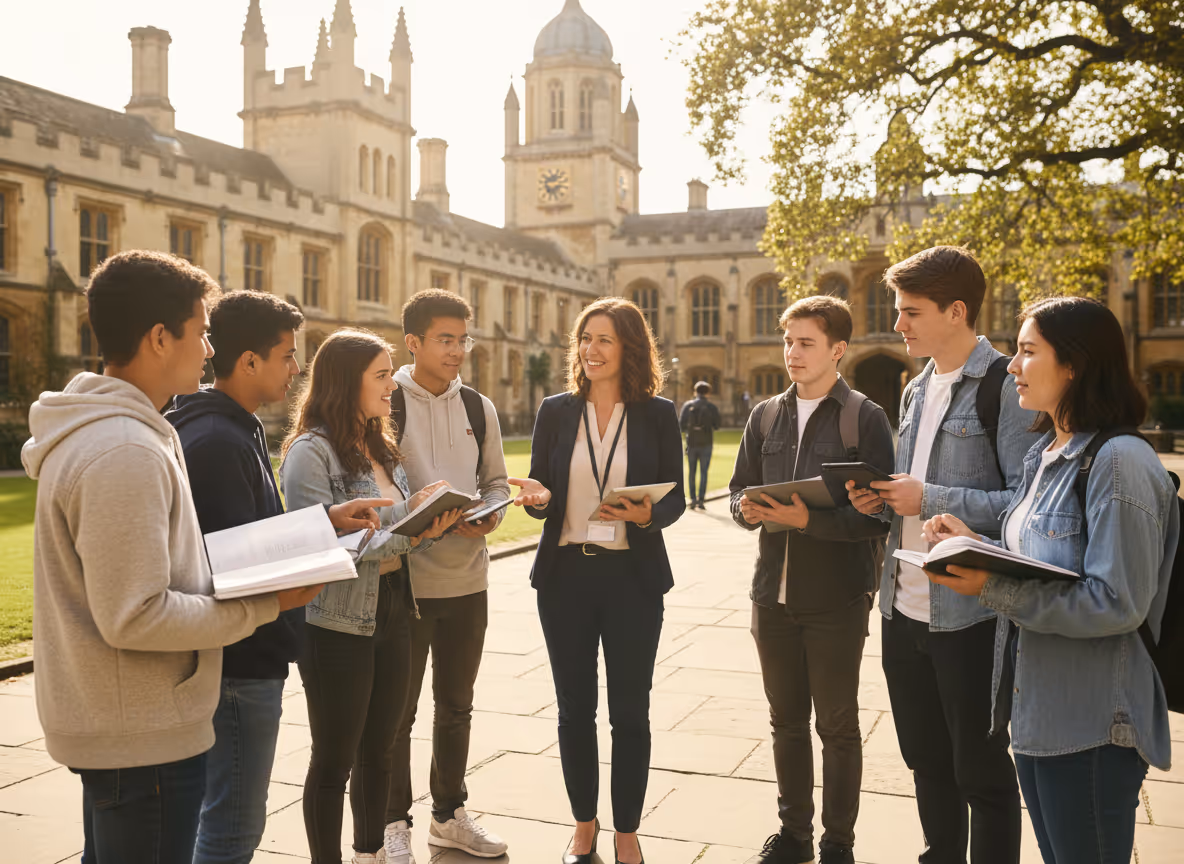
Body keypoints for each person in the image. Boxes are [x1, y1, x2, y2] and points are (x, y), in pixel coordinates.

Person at [20, 250, 321, 864]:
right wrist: (265, 604)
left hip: (127, 724)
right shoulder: (123, 449)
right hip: (140, 735)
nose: (210, 349)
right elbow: (135, 616)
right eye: (202, 331)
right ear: (161, 338)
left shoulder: (127, 432)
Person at [921, 297, 1177, 864]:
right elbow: (1043, 561)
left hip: (1091, 724)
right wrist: (976, 546)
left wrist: (987, 586)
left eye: (1029, 351)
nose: (1012, 364)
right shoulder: (1046, 451)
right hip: (1033, 715)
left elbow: (1116, 602)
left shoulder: (1119, 462)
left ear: (1075, 366)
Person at [169, 292, 392, 864]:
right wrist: (308, 571)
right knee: (231, 831)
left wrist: (323, 522)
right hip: (241, 665)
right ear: (248, 362)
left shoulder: (232, 429)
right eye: (288, 356)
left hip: (247, 659)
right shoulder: (219, 440)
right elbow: (233, 566)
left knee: (222, 820)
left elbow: (254, 533)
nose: (296, 370)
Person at [846, 246, 1040, 864]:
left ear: (956, 312)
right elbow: (910, 497)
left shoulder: (1005, 387)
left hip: (970, 613)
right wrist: (877, 501)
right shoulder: (915, 388)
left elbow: (1028, 503)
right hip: (901, 608)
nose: (897, 323)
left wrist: (926, 495)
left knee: (980, 772)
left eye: (910, 311)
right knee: (925, 762)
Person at [508, 297, 685, 864]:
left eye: (604, 339)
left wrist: (646, 515)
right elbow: (543, 493)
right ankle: (583, 825)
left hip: (633, 578)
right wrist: (536, 500)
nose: (591, 349)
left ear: (630, 347)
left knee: (630, 712)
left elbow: (675, 495)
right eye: (585, 338)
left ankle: (627, 832)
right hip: (567, 577)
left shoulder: (657, 414)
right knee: (573, 709)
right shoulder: (556, 410)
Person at [279, 329, 463, 864]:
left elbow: (391, 523)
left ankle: (370, 855)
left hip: (395, 608)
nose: (391, 386)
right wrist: (412, 532)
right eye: (382, 376)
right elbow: (323, 549)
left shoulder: (383, 443)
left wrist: (426, 508)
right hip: (337, 623)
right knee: (335, 759)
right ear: (345, 381)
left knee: (380, 750)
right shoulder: (309, 454)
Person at [729, 296, 894, 864]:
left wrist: (809, 520)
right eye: (788, 341)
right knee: (785, 724)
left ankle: (837, 845)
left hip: (837, 598)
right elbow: (737, 490)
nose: (792, 353)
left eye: (805, 343)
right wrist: (746, 510)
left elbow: (879, 516)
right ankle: (794, 835)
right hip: (769, 596)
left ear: (837, 350)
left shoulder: (864, 418)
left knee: (839, 726)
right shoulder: (766, 416)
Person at [383, 290, 511, 862]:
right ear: (413, 343)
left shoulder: (479, 408)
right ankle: (392, 824)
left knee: (456, 706)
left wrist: (491, 514)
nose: (458, 350)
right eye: (445, 340)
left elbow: (498, 483)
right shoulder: (388, 404)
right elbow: (371, 490)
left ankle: (449, 815)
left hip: (467, 582)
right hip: (404, 585)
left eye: (463, 339)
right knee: (396, 714)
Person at [680, 380, 722, 510]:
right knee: (704, 472)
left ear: (695, 392)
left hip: (691, 443)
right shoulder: (712, 407)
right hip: (706, 443)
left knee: (692, 473)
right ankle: (701, 500)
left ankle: (692, 500)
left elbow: (681, 425)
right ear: (708, 393)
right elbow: (717, 426)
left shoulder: (688, 405)